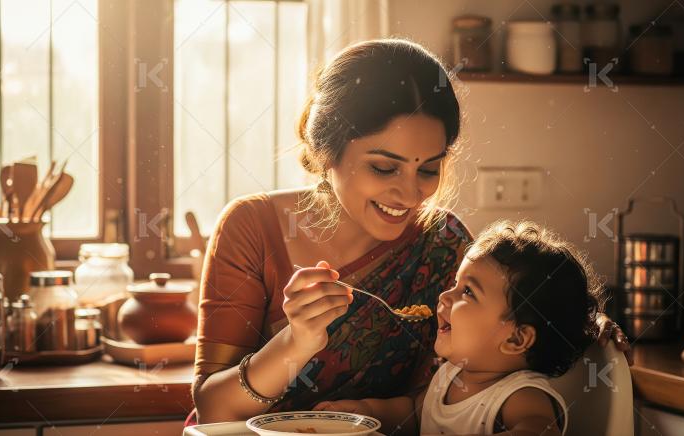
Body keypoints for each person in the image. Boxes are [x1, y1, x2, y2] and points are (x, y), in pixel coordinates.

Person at [188, 39, 630, 426]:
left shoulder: (442, 244)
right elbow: (213, 410)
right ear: (327, 150)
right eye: (384, 167)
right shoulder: (252, 227)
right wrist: (296, 341)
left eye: (430, 168)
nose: (410, 193)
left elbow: (491, 342)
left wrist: (580, 323)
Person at [316, 220, 603, 435]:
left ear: (516, 338)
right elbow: (416, 413)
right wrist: (366, 412)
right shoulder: (451, 375)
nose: (444, 296)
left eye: (468, 292)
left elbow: (541, 429)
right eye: (455, 283)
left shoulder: (518, 395)